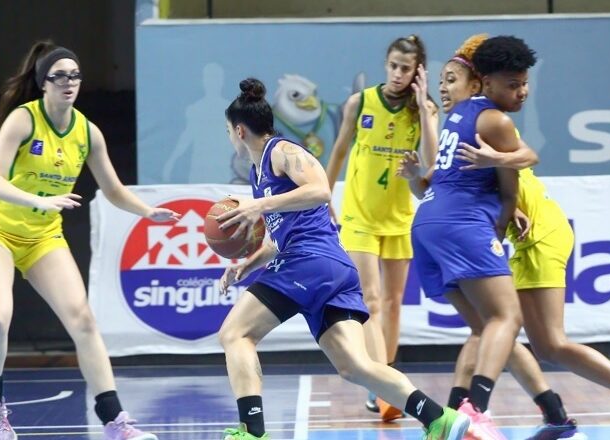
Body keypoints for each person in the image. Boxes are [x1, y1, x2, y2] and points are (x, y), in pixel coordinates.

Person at [415, 34, 610, 440]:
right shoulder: (468, 121)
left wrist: (502, 187)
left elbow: (518, 169)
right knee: (535, 341)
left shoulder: (493, 124)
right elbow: (476, 184)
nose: (444, 89)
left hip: (541, 233)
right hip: (510, 233)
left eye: (451, 80)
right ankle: (571, 415)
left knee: (512, 329)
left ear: (475, 81)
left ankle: (475, 409)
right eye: (442, 82)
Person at [215, 78, 469, 440]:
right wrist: (249, 262)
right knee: (355, 365)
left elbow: (319, 189)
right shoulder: (259, 176)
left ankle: (252, 433)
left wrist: (259, 205)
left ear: (239, 130)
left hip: (310, 261)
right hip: (329, 267)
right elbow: (281, 236)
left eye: (227, 130)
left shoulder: (281, 151)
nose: (229, 136)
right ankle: (439, 418)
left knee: (235, 333)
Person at [0, 41, 177, 440]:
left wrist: (147, 212)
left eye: (75, 75)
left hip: (43, 237)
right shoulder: (23, 121)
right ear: (43, 83)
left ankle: (116, 423)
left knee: (83, 320)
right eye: (59, 76)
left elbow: (112, 189)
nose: (69, 83)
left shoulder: (87, 133)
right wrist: (37, 199)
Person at [400, 34, 585, 440]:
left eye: (523, 84)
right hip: (461, 225)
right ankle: (474, 410)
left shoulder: (458, 117)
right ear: (484, 82)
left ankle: (550, 414)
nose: (520, 92)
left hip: (428, 222)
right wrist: (501, 166)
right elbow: (527, 158)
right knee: (507, 317)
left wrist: (505, 210)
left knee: (489, 328)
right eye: (512, 84)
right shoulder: (494, 120)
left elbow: (489, 185)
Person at [324, 35, 439, 420]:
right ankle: (385, 384)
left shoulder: (424, 111)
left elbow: (432, 165)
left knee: (392, 305)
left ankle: (383, 388)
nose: (397, 74)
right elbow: (339, 150)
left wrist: (424, 110)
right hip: (358, 215)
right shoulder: (361, 103)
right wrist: (323, 197)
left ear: (418, 72)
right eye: (392, 65)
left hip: (399, 219)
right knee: (370, 300)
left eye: (406, 69)